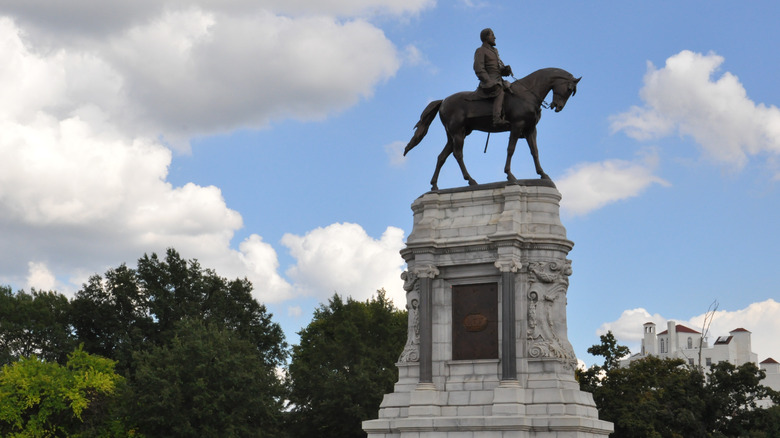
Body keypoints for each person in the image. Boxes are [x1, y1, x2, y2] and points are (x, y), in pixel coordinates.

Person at [474, 28, 513, 127]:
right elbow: (478, 68)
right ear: (486, 37)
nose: (494, 37)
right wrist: (488, 80)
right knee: (500, 91)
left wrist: (505, 70)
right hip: (489, 82)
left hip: (499, 80)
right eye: (492, 35)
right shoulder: (481, 50)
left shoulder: (494, 51)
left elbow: (497, 69)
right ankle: (497, 119)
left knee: (512, 90)